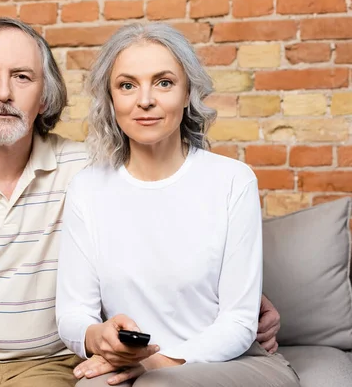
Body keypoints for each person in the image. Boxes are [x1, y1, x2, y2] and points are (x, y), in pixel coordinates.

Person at [0, 17, 284, 387]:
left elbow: (164, 203)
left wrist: (243, 300)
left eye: (22, 77)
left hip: (43, 366)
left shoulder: (83, 169)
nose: (3, 92)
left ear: (44, 97)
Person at [55, 23, 300, 387]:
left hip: (225, 361)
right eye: (127, 85)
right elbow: (74, 312)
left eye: (164, 82)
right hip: (132, 366)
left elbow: (238, 322)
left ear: (188, 94)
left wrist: (158, 365)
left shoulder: (233, 181)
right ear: (111, 100)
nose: (145, 100)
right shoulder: (86, 188)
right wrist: (97, 338)